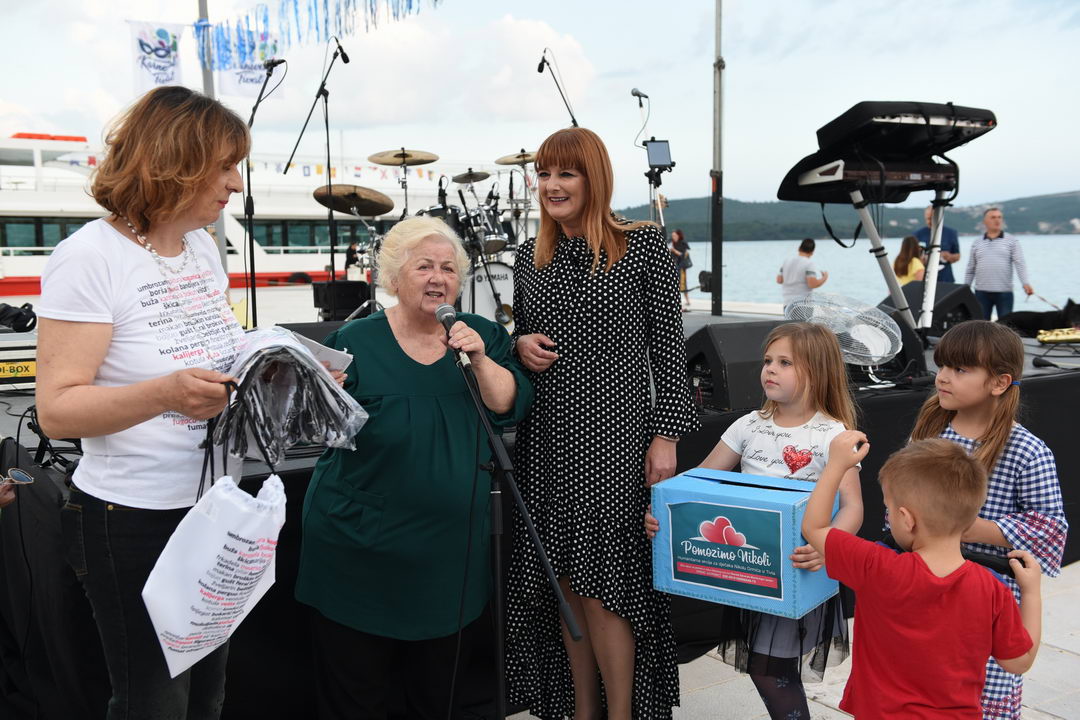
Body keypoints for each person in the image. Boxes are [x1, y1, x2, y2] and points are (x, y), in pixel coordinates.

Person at [34, 86, 250, 719]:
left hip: (213, 504)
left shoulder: (202, 247)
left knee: (206, 695)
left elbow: (216, 350)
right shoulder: (89, 257)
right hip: (132, 519)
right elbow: (57, 410)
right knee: (154, 703)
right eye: (225, 166)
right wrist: (165, 394)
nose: (235, 184)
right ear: (177, 162)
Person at [294, 215, 533, 719]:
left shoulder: (482, 335)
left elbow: (507, 403)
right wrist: (322, 395)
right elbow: (315, 429)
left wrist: (479, 359)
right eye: (424, 266)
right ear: (394, 277)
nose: (438, 278)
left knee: (436, 698)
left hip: (449, 560)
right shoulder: (355, 340)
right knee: (356, 701)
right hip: (358, 555)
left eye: (448, 268)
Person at [506, 127, 699, 720]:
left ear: (594, 178)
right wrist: (519, 344)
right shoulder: (529, 257)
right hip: (547, 439)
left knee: (605, 584)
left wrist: (665, 436)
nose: (551, 185)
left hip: (614, 440)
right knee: (563, 581)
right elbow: (522, 338)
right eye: (544, 174)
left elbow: (670, 352)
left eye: (566, 173)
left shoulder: (641, 246)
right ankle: (581, 711)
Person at [646, 322, 863, 720]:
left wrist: (827, 545)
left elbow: (852, 506)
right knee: (770, 667)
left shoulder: (833, 434)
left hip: (798, 568)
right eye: (767, 361)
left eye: (785, 363)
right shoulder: (748, 425)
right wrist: (663, 510)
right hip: (752, 570)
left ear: (818, 372)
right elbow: (699, 480)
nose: (770, 369)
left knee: (769, 668)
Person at [802, 433, 1042, 718]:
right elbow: (1019, 662)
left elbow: (814, 528)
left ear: (907, 519)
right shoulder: (992, 589)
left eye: (889, 510)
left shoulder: (875, 566)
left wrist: (836, 466)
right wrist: (1031, 593)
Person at [908, 319, 1066, 719]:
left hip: (989, 593)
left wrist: (970, 528)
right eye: (942, 365)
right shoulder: (930, 430)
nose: (943, 376)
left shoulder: (1026, 450)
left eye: (960, 369)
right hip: (926, 584)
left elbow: (1049, 527)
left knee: (979, 689)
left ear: (999, 382)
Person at [964, 208, 1034, 320]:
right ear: (984, 222)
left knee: (1005, 325)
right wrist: (966, 288)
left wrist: (1025, 283)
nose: (997, 220)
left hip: (1004, 293)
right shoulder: (977, 242)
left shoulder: (1012, 241)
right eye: (993, 217)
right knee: (980, 324)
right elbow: (971, 267)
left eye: (999, 217)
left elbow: (1020, 263)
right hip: (981, 293)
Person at [914, 205, 961, 282]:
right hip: (924, 277)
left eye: (931, 218)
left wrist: (948, 256)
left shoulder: (951, 233)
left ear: (939, 218)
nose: (929, 221)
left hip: (945, 278)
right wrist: (921, 259)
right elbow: (911, 257)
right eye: (927, 219)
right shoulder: (917, 234)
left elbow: (957, 256)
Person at [777, 238, 827, 307]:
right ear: (812, 252)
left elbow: (779, 280)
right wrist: (824, 278)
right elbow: (812, 284)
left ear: (799, 248)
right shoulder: (809, 263)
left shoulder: (786, 261)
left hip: (787, 303)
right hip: (803, 305)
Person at [669, 228, 691, 310]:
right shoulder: (671, 242)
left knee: (683, 283)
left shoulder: (683, 243)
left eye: (675, 235)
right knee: (674, 283)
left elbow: (683, 255)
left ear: (678, 236)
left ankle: (687, 300)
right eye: (672, 236)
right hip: (674, 265)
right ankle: (677, 300)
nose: (673, 237)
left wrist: (674, 250)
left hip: (681, 265)